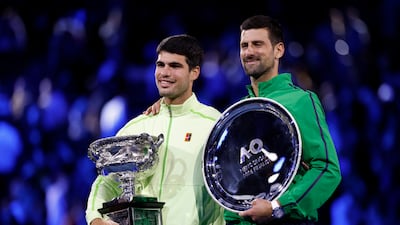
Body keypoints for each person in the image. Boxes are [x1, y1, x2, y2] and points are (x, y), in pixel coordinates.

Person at [144, 15, 342, 225]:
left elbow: (327, 169)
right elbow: (232, 184)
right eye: (244, 45)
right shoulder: (237, 112)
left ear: (279, 50)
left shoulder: (300, 101)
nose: (249, 52)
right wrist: (166, 106)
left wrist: (278, 207)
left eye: (258, 44)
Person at [85, 34, 224, 225]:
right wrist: (95, 219)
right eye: (160, 65)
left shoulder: (214, 124)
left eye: (175, 66)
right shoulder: (137, 127)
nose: (164, 73)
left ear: (195, 72)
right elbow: (106, 181)